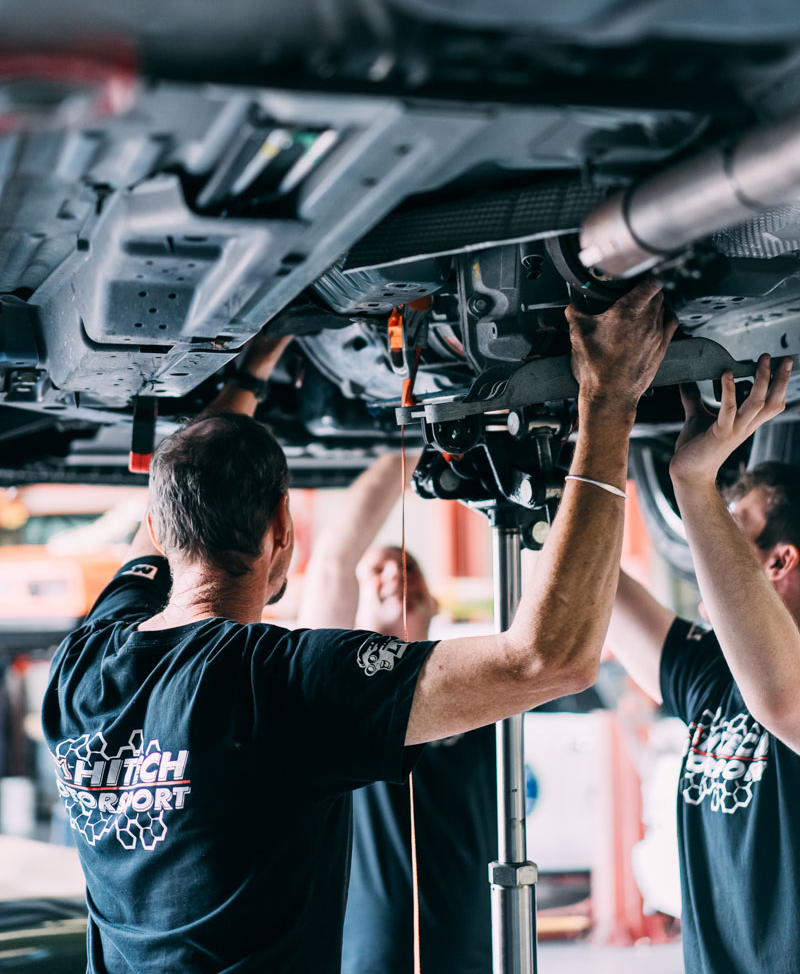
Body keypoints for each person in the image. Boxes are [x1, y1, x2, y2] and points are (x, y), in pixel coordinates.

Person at [42, 281, 674, 973]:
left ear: (162, 532)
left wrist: (250, 376)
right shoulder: (277, 682)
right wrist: (609, 400)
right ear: (282, 530)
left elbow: (177, 491)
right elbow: (548, 662)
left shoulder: (84, 662)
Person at [608, 355, 797, 974]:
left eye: (733, 523)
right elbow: (598, 587)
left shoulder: (781, 688)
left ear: (779, 562)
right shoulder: (715, 672)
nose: (700, 542)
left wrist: (695, 484)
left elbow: (780, 701)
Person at [298, 453, 496, 974]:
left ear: (432, 603)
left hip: (470, 946)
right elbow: (333, 562)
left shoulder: (471, 683)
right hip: (368, 953)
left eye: (408, 567)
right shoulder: (331, 689)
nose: (395, 573)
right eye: (379, 569)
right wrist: (408, 450)